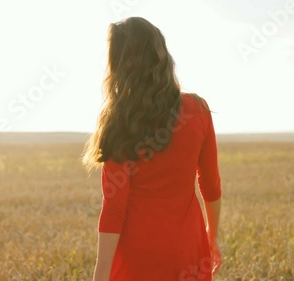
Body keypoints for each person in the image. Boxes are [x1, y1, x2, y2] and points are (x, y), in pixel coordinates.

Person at [82, 16, 222, 281]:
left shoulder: (119, 121)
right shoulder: (198, 110)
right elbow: (211, 186)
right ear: (161, 57)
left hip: (136, 258)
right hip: (189, 251)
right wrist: (211, 238)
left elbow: (114, 207)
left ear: (119, 65)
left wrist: (100, 276)